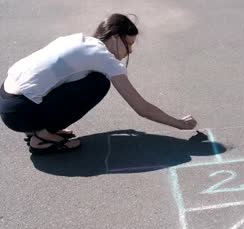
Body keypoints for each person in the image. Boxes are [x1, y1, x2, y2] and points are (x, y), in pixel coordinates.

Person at [0, 13, 197, 154]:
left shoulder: (78, 39)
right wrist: (179, 124)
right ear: (114, 37)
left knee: (86, 80)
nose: (130, 51)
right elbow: (142, 108)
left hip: (7, 97)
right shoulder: (102, 57)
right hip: (20, 112)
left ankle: (42, 127)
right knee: (98, 84)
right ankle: (41, 137)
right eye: (129, 44)